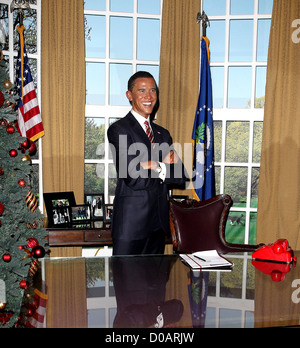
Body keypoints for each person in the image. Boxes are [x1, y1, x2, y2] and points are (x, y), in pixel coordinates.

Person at [107, 71, 187, 255]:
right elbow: (133, 177)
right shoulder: (119, 129)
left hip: (158, 226)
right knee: (127, 282)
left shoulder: (163, 133)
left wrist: (154, 165)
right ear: (129, 95)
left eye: (153, 91)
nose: (149, 97)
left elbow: (180, 176)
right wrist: (164, 167)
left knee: (156, 283)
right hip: (130, 226)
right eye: (141, 91)